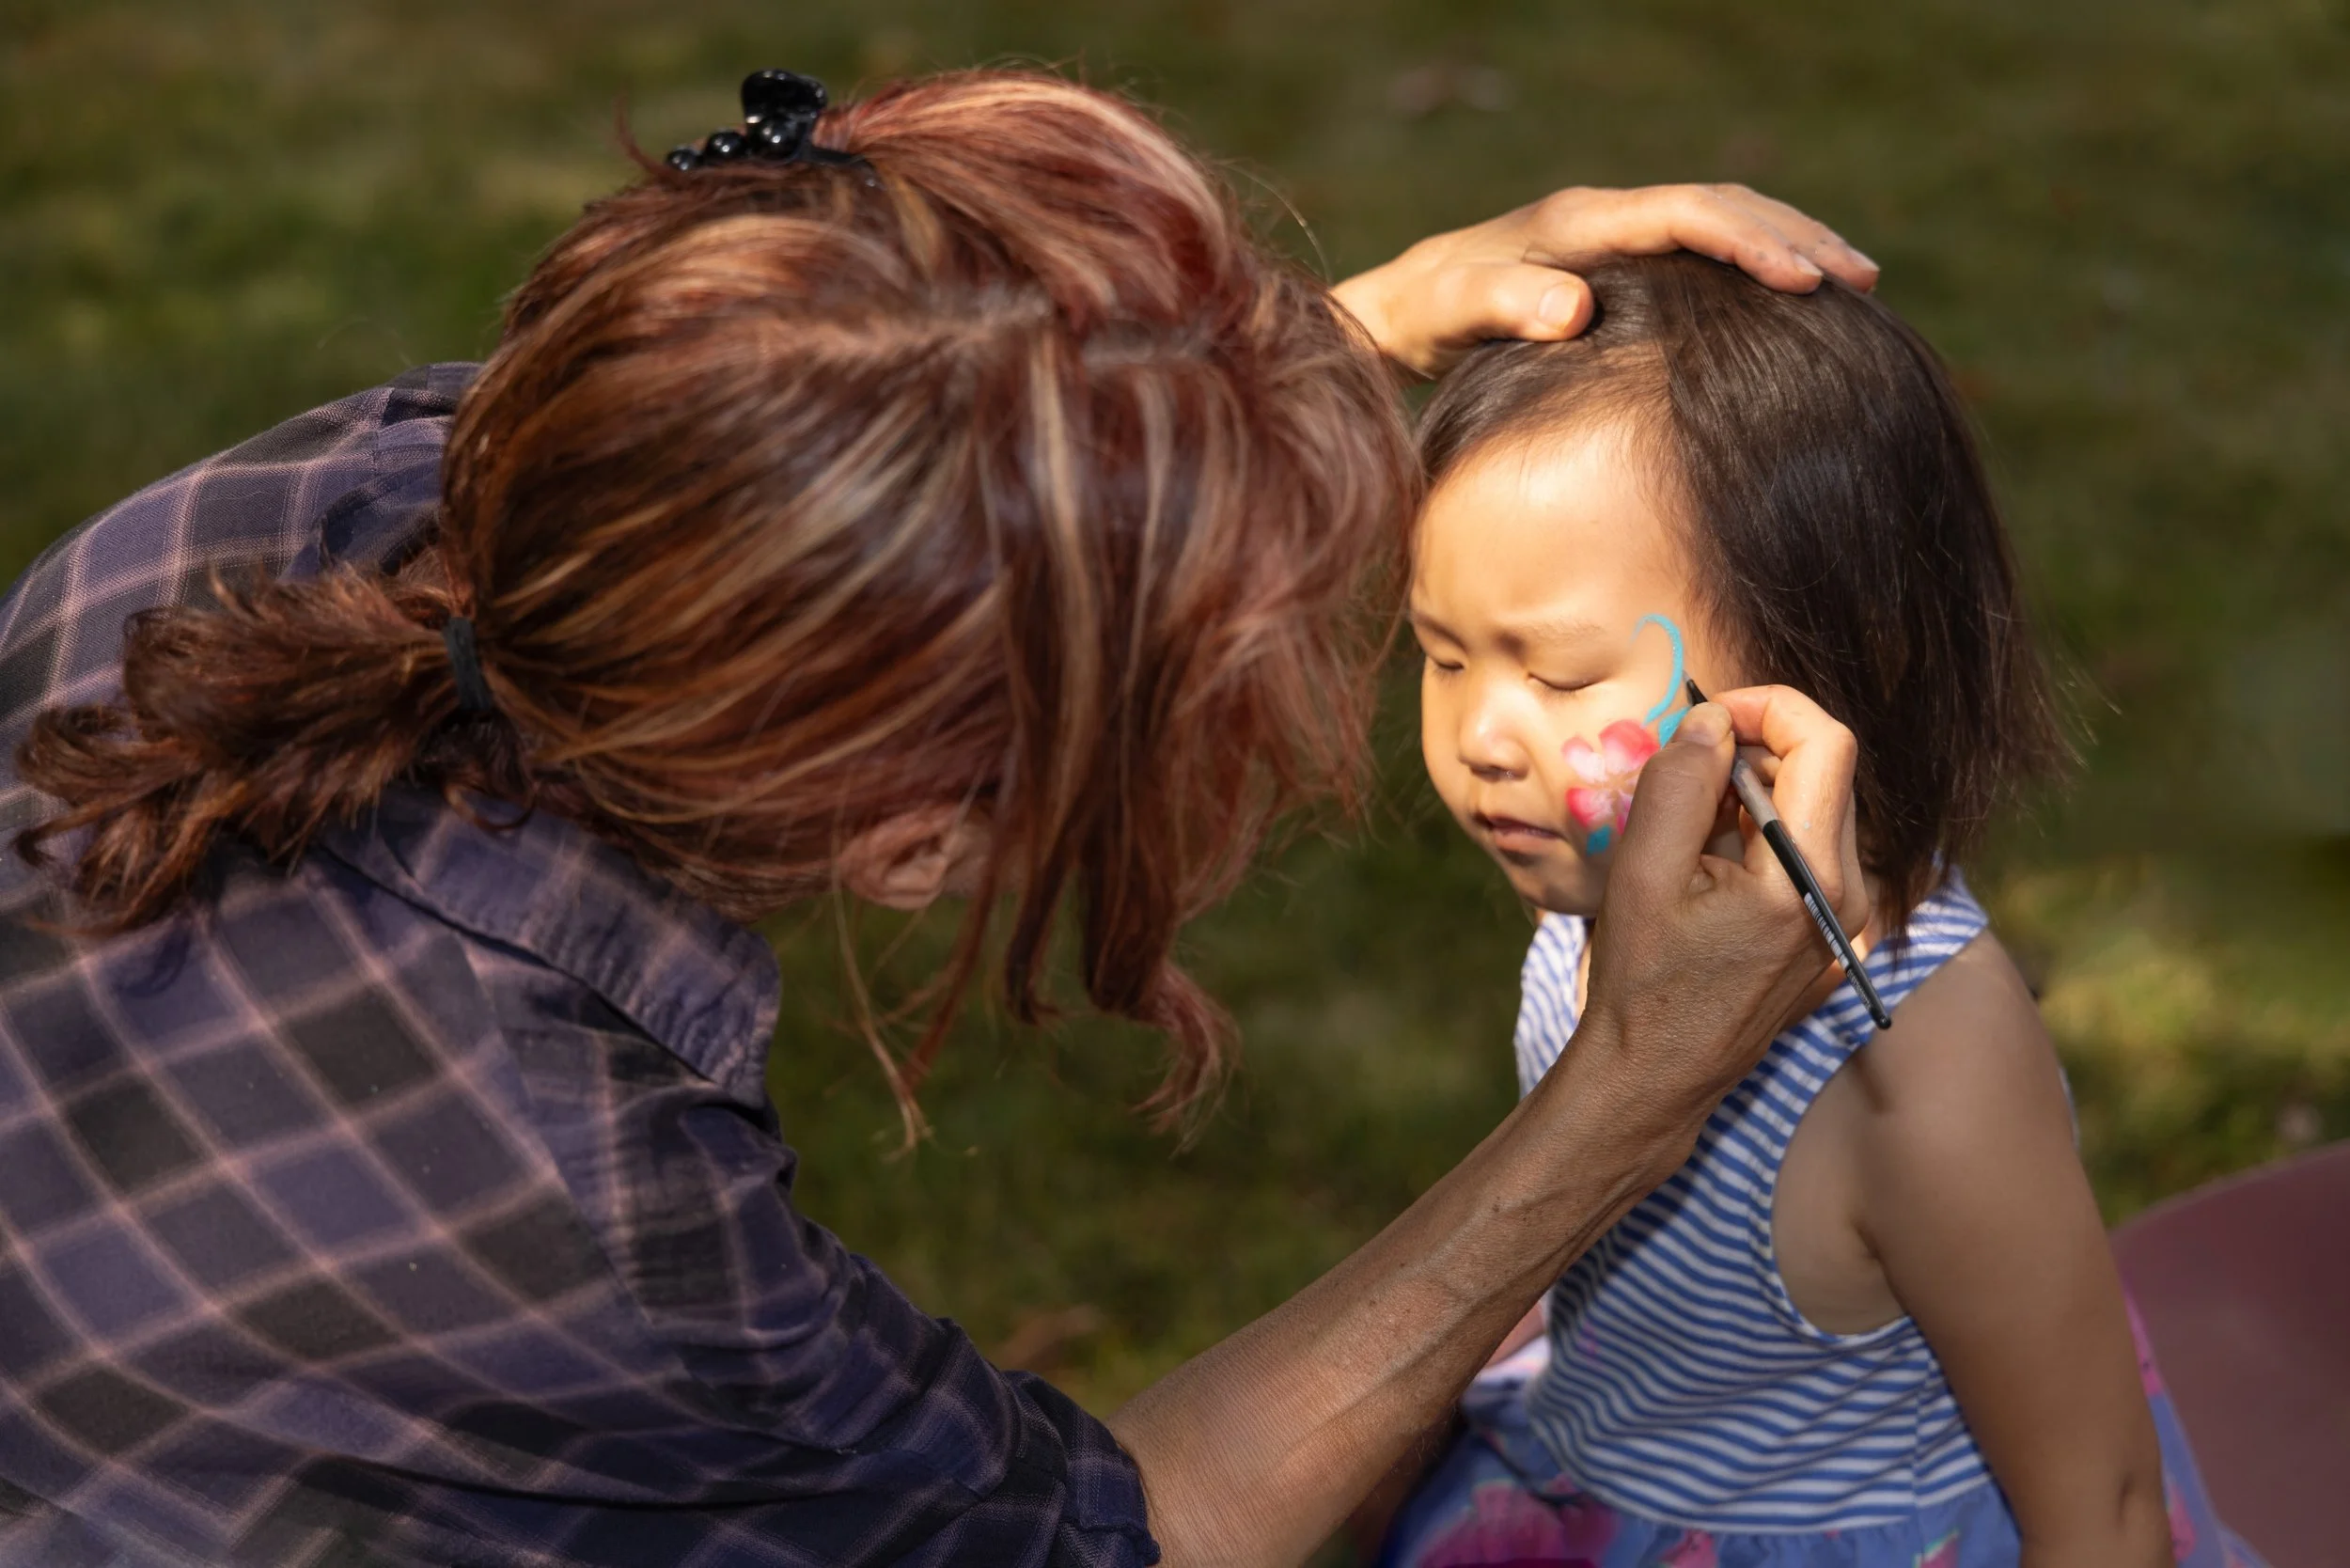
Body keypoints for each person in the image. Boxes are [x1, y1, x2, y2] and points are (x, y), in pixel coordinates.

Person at [0, 69, 1880, 1568]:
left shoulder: (299, 507)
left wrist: (1238, 369)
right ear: (913, 844)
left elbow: (822, 453)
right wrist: (1633, 1088)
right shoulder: (598, 1231)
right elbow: (1112, 1536)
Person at [1380, 254, 2264, 1568]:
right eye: (1443, 655)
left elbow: (2105, 1505)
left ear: (1834, 658)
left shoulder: (1925, 1073)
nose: (1480, 737)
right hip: (1598, 1466)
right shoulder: (1626, 895)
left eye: (1559, 674)